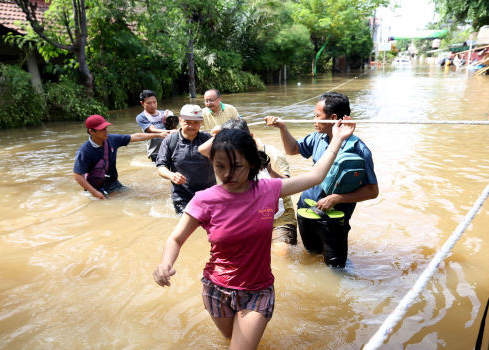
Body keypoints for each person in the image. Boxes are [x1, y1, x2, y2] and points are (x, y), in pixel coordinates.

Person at [153, 120, 356, 349]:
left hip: (257, 290)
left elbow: (316, 176)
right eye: (220, 166)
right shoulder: (204, 199)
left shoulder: (268, 190)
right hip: (216, 289)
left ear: (251, 163)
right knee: (231, 340)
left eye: (236, 166)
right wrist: (165, 263)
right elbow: (176, 238)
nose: (227, 174)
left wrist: (337, 139)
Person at [265, 92, 379, 268]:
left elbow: (372, 191)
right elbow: (293, 149)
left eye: (317, 116)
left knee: (336, 268)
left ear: (333, 118)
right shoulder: (318, 137)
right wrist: (282, 128)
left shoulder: (358, 149)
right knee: (310, 257)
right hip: (306, 209)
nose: (314, 121)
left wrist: (337, 198)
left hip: (334, 217)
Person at [198, 118, 298, 248]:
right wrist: (219, 135)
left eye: (239, 140)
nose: (236, 145)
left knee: (282, 254)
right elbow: (202, 150)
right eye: (231, 141)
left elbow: (289, 184)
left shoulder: (272, 153)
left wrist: (271, 171)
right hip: (248, 215)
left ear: (250, 137)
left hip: (278, 216)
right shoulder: (227, 154)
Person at [73, 114, 167, 200]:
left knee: (137, 199)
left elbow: (136, 137)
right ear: (91, 131)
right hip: (95, 189)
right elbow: (77, 175)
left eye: (105, 128)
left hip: (114, 184)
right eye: (101, 129)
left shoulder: (111, 139)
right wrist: (94, 192)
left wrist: (159, 134)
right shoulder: (84, 151)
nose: (106, 131)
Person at [156, 104, 216, 214]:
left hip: (208, 193)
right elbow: (161, 167)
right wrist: (172, 175)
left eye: (195, 122)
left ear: (201, 122)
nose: (191, 126)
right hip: (182, 195)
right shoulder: (170, 141)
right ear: (180, 120)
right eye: (187, 122)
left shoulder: (208, 140)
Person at [135, 90, 175, 162]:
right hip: (155, 152)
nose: (152, 105)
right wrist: (169, 131)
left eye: (154, 102)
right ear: (142, 103)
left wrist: (170, 120)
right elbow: (152, 129)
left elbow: (174, 128)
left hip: (170, 148)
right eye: (149, 103)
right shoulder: (141, 117)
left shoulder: (164, 113)